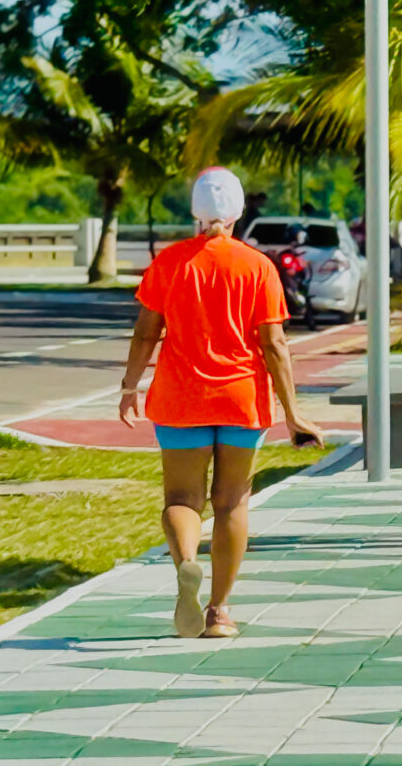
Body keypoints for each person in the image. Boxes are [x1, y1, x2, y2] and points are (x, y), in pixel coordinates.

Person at [119, 168, 324, 639]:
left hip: (179, 398)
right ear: (238, 213)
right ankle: (219, 612)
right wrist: (292, 413)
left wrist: (130, 386)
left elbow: (146, 331)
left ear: (195, 212)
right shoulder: (257, 267)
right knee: (231, 504)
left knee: (181, 500)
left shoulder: (169, 263)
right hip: (240, 398)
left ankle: (188, 562)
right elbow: (274, 344)